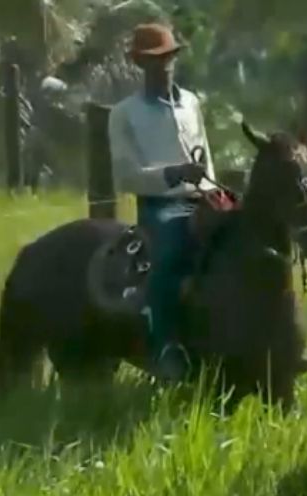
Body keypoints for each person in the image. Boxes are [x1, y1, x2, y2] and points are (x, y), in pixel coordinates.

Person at [108, 22, 214, 383]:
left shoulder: (192, 103)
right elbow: (125, 175)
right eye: (154, 60)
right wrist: (172, 174)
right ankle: (165, 346)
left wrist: (216, 191)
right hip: (160, 205)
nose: (163, 65)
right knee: (169, 252)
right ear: (139, 64)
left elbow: (206, 158)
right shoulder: (124, 113)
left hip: (202, 197)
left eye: (167, 57)